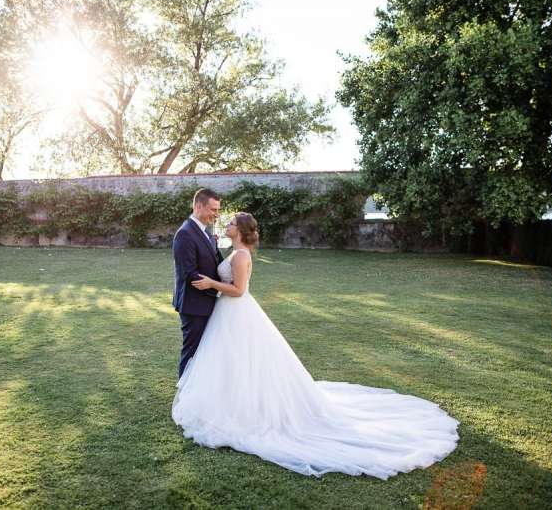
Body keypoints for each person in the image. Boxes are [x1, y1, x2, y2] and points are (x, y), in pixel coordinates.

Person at [173, 211, 460, 478]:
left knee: (244, 360)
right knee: (233, 362)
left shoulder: (239, 256)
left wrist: (211, 284)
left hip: (237, 312)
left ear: (241, 230)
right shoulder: (235, 252)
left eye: (232, 222)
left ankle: (242, 409)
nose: (227, 224)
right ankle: (229, 400)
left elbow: (238, 290)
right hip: (228, 315)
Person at [171, 188, 224, 378]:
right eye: (213, 209)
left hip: (206, 303)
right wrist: (219, 290)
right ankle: (184, 396)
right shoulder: (185, 233)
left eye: (218, 210)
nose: (216, 214)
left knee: (204, 353)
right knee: (192, 353)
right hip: (194, 306)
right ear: (198, 206)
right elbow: (190, 274)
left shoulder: (206, 232)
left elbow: (215, 262)